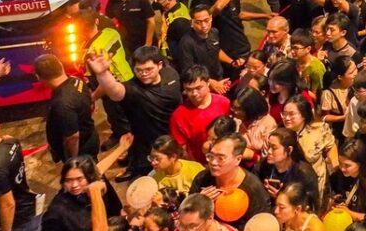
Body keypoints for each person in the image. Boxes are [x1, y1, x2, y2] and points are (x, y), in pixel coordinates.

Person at [87, 46, 181, 182]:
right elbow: (115, 90)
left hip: (171, 132)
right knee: (144, 164)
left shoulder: (171, 74)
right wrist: (102, 74)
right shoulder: (133, 89)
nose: (144, 74)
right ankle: (134, 169)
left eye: (148, 69)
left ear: (160, 65)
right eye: (139, 70)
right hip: (144, 135)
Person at [189, 134, 273, 230]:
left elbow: (260, 228)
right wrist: (198, 203)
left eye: (220, 158)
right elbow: (186, 216)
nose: (213, 162)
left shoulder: (254, 189)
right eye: (211, 156)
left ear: (238, 159)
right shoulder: (202, 178)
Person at [34, 53, 99, 163]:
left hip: (81, 151)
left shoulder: (62, 103)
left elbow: (73, 138)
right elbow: (90, 102)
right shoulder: (76, 80)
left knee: (88, 173)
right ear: (60, 65)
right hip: (90, 136)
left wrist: (71, 162)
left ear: (38, 77)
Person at [42, 155, 123, 231]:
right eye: (68, 180)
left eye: (79, 179)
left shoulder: (97, 183)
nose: (74, 185)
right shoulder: (57, 212)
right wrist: (95, 193)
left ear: (90, 178)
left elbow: (117, 210)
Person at [170, 66, 232, 163]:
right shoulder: (178, 116)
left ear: (208, 83)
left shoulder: (224, 103)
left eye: (198, 88)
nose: (194, 93)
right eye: (189, 89)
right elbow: (182, 149)